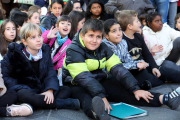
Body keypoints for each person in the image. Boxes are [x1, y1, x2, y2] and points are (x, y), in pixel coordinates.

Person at [62, 18, 180, 120]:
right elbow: (84, 77)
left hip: (99, 79)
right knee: (89, 98)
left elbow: (118, 68)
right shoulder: (74, 50)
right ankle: (99, 114)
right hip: (75, 83)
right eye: (91, 36)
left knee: (128, 90)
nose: (94, 41)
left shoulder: (103, 47)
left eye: (98, 37)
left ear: (102, 37)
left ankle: (164, 99)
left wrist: (135, 89)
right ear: (82, 35)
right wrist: (102, 96)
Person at [1, 23, 80, 110]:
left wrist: (49, 90)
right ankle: (61, 103)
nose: (38, 40)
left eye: (39, 36)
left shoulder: (45, 50)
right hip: (23, 88)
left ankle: (37, 102)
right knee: (22, 94)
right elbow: (5, 75)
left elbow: (50, 72)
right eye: (33, 37)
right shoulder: (13, 53)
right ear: (24, 41)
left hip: (41, 88)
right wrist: (25, 88)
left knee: (66, 90)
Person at [116, 10, 180, 89]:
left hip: (146, 67)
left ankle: (161, 78)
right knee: (153, 80)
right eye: (137, 21)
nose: (139, 23)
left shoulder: (138, 36)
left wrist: (154, 67)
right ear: (130, 26)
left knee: (169, 72)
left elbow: (147, 54)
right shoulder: (122, 40)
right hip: (135, 71)